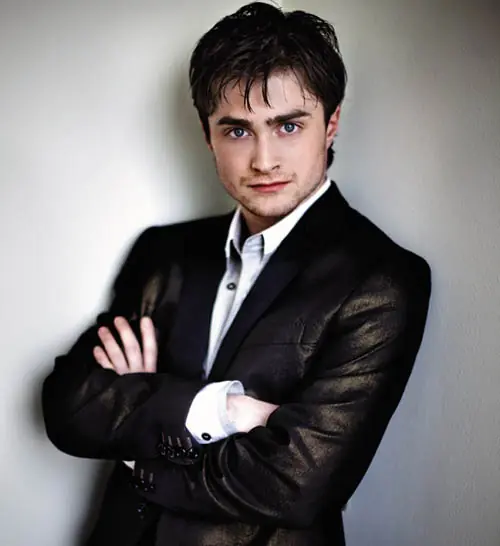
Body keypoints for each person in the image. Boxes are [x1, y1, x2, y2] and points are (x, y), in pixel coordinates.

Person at [42, 3, 431, 545]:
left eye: (288, 126)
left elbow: (295, 485)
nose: (264, 160)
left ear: (331, 124)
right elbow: (69, 406)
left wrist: (137, 443)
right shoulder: (163, 252)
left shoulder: (383, 280)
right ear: (208, 135)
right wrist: (225, 412)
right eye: (237, 130)